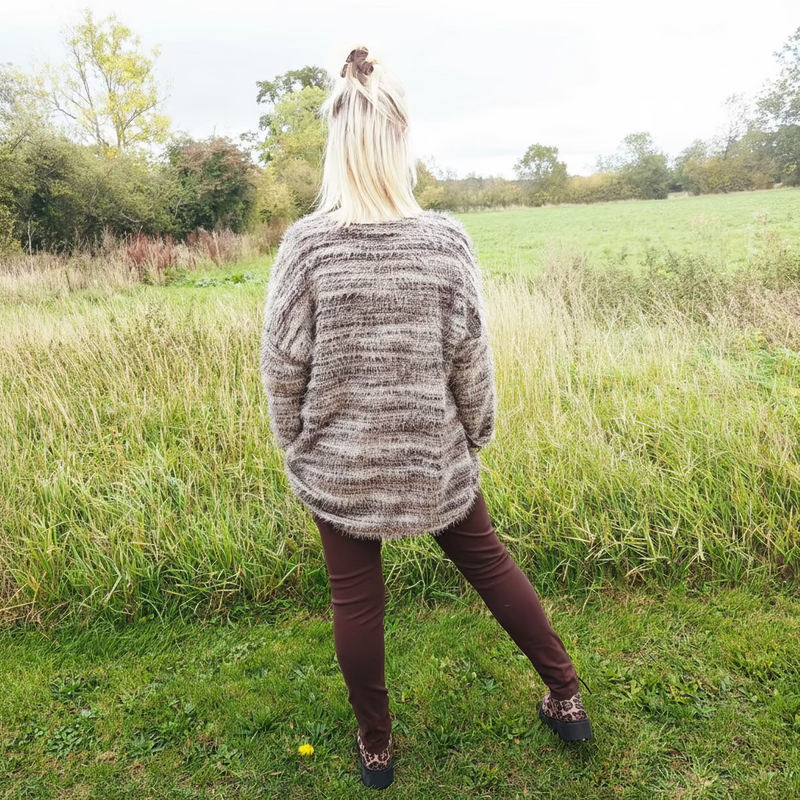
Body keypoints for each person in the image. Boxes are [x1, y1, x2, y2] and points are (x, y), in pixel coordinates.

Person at [259, 43, 593, 790]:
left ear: (337, 142)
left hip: (339, 467)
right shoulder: (444, 242)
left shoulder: (306, 248)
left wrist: (296, 443)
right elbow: (470, 356)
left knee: (355, 600)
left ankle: (376, 748)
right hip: (433, 457)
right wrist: (477, 433)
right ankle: (566, 696)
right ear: (400, 137)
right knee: (490, 564)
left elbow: (282, 365)